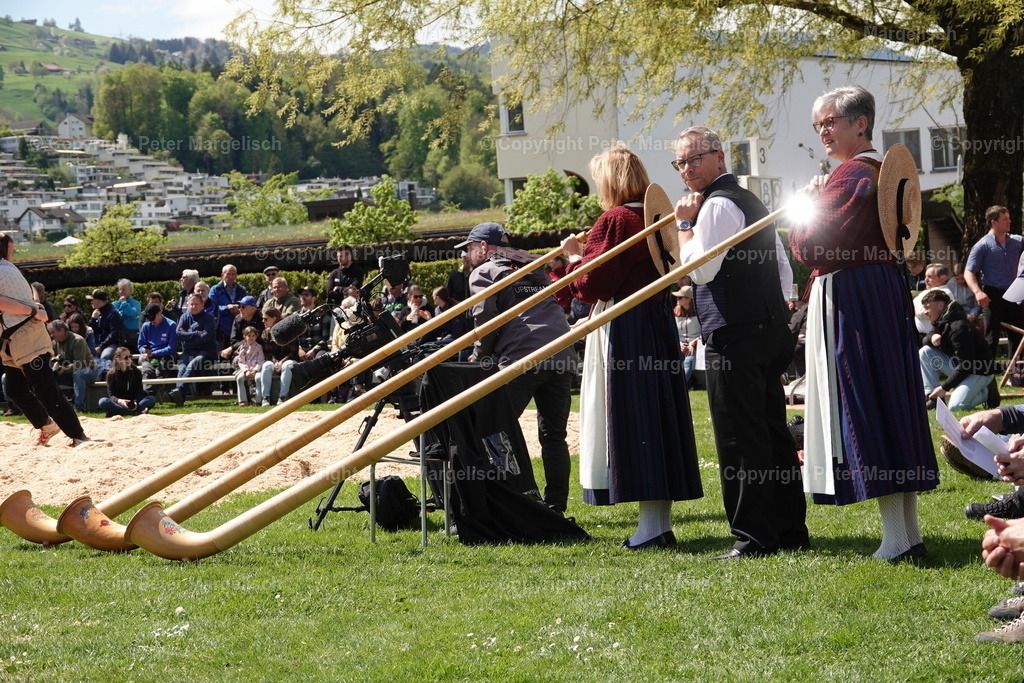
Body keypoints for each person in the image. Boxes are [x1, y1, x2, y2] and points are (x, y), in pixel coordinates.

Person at [788, 85, 938, 561]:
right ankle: (906, 535)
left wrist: (802, 207)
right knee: (890, 401)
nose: (823, 132)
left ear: (861, 123)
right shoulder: (874, 174)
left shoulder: (853, 175)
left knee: (869, 403)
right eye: (818, 125)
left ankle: (897, 540)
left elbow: (811, 245)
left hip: (855, 295)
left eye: (830, 121)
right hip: (880, 289)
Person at [675, 125, 807, 559]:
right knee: (772, 434)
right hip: (768, 328)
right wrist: (781, 307)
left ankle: (753, 537)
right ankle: (788, 530)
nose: (687, 169)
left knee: (738, 436)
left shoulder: (714, 206)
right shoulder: (750, 200)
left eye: (695, 158)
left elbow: (699, 271)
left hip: (735, 334)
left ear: (719, 158)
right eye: (680, 162)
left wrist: (683, 225)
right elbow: (782, 265)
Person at [561, 143, 703, 546]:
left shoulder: (616, 220)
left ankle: (652, 529)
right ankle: (657, 524)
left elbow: (592, 285)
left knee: (633, 418)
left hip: (625, 325)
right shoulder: (658, 218)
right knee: (655, 419)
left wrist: (573, 259)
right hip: (656, 323)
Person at [459, 221, 577, 513]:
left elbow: (485, 319)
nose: (468, 255)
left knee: (492, 429)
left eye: (471, 249)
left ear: (484, 247)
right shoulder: (534, 265)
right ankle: (555, 506)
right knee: (554, 437)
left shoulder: (484, 271)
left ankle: (509, 502)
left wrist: (479, 355)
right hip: (561, 352)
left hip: (523, 356)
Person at [0, 233, 89, 446]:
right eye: (11, 249)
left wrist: (32, 309)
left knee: (44, 388)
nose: (12, 253)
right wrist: (34, 307)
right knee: (16, 389)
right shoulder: (6, 268)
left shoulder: (4, 268)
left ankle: (78, 435)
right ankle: (47, 425)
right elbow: (31, 290)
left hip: (26, 334)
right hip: (14, 338)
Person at [919, 289, 996, 411]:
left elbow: (967, 365)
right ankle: (933, 398)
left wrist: (945, 388)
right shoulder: (943, 319)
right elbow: (925, 341)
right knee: (925, 352)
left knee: (956, 406)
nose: (925, 312)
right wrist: (932, 336)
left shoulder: (959, 327)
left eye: (928, 307)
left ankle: (985, 393)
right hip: (963, 368)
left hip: (979, 371)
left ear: (940, 305)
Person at [965, 205, 1024, 357]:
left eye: (1009, 218)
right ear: (993, 222)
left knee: (1018, 334)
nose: (1009, 221)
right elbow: (968, 272)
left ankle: (1016, 376)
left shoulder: (1018, 241)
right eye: (1005, 219)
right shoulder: (982, 246)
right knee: (991, 336)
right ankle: (986, 376)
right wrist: (978, 292)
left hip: (1015, 292)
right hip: (992, 294)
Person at [167, 293, 218, 407]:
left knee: (193, 364)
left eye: (196, 304)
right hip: (189, 351)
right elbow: (178, 334)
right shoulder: (184, 317)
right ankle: (179, 397)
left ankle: (177, 392)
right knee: (182, 368)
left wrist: (187, 336)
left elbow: (206, 338)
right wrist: (195, 334)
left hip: (206, 351)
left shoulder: (209, 318)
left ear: (202, 305)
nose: (193, 307)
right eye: (191, 304)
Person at [47, 319, 96, 413]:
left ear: (61, 330)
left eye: (53, 332)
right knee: (47, 376)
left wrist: (64, 369)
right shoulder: (55, 343)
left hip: (88, 372)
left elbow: (80, 364)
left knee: (78, 374)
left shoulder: (78, 340)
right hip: (69, 373)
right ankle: (50, 407)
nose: (51, 335)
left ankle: (78, 407)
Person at [98, 346, 156, 417]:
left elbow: (139, 392)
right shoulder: (111, 374)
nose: (128, 359)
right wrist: (120, 401)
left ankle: (118, 412)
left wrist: (135, 402)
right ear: (118, 359)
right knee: (103, 401)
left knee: (151, 399)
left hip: (134, 402)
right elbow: (111, 395)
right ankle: (136, 413)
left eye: (130, 356)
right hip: (119, 403)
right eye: (125, 357)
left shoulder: (136, 371)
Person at [259, 307, 299, 405]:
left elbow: (293, 352)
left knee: (287, 366)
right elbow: (267, 353)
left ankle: (282, 396)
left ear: (274, 318)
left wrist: (282, 362)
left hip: (289, 360)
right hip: (274, 361)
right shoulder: (265, 333)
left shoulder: (289, 331)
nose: (263, 321)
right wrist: (275, 361)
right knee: (266, 366)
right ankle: (265, 397)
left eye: (265, 318)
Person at [138, 302, 178, 395]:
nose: (152, 321)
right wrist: (144, 351)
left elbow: (172, 348)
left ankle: (153, 395)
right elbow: (141, 344)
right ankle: (149, 396)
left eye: (153, 318)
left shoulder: (171, 325)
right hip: (150, 356)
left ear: (160, 313)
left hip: (166, 356)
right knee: (147, 370)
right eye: (149, 319)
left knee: (161, 369)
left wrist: (154, 353)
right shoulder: (146, 326)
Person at [912, 263, 954, 340]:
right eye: (925, 276)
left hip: (928, 337)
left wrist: (911, 308)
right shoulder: (927, 291)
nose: (925, 280)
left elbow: (924, 313)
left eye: (929, 277)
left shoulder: (944, 293)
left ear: (942, 278)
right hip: (916, 334)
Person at [209, 264, 248, 345]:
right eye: (228, 274)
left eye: (233, 274)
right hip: (221, 329)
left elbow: (247, 306)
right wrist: (227, 308)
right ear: (222, 275)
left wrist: (239, 308)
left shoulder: (241, 290)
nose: (231, 276)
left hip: (239, 328)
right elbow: (211, 308)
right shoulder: (215, 289)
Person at [87, 288, 123, 374]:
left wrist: (101, 347)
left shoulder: (113, 313)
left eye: (93, 300)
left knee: (105, 356)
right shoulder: (97, 313)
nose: (91, 302)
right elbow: (90, 331)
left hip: (110, 344)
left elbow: (114, 333)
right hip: (97, 343)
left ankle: (103, 379)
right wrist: (93, 319)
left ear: (98, 301)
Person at [220, 295, 264, 360]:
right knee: (236, 358)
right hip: (240, 350)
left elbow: (256, 339)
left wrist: (232, 348)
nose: (240, 309)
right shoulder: (237, 319)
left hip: (258, 350)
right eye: (239, 306)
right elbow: (233, 340)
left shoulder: (261, 320)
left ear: (253, 309)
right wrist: (239, 348)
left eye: (243, 307)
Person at [672, 285, 700, 384]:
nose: (677, 299)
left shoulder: (700, 313)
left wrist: (693, 344)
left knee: (689, 360)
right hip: (678, 345)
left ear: (688, 299)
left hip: (696, 346)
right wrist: (679, 345)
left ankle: (680, 385)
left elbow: (704, 333)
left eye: (680, 297)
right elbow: (673, 332)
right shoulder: (675, 313)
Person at [296, 287, 330, 361]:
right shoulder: (296, 316)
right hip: (300, 352)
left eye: (306, 295)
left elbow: (326, 338)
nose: (303, 297)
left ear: (314, 298)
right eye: (301, 295)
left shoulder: (323, 315)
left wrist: (314, 350)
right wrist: (299, 349)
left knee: (321, 358)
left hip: (318, 350)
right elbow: (293, 338)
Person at [233, 326, 265, 406]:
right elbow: (241, 361)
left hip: (256, 369)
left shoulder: (259, 347)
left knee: (258, 378)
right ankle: (243, 400)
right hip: (245, 370)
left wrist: (255, 370)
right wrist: (246, 370)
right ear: (245, 336)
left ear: (256, 336)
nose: (251, 337)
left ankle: (258, 400)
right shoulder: (242, 348)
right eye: (249, 335)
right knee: (240, 378)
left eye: (253, 335)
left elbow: (260, 360)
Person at [112, 278, 142, 352]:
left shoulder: (136, 303)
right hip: (119, 338)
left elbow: (133, 314)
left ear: (130, 291)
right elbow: (118, 317)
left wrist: (124, 303)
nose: (122, 291)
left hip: (133, 337)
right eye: (120, 289)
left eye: (124, 289)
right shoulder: (114, 304)